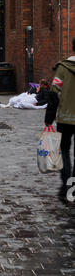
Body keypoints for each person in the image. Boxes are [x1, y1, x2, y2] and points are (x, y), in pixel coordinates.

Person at [45, 38, 75, 200]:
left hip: (65, 117)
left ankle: (66, 184)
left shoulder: (62, 68)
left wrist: (49, 118)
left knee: (64, 150)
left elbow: (54, 94)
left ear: (72, 47)